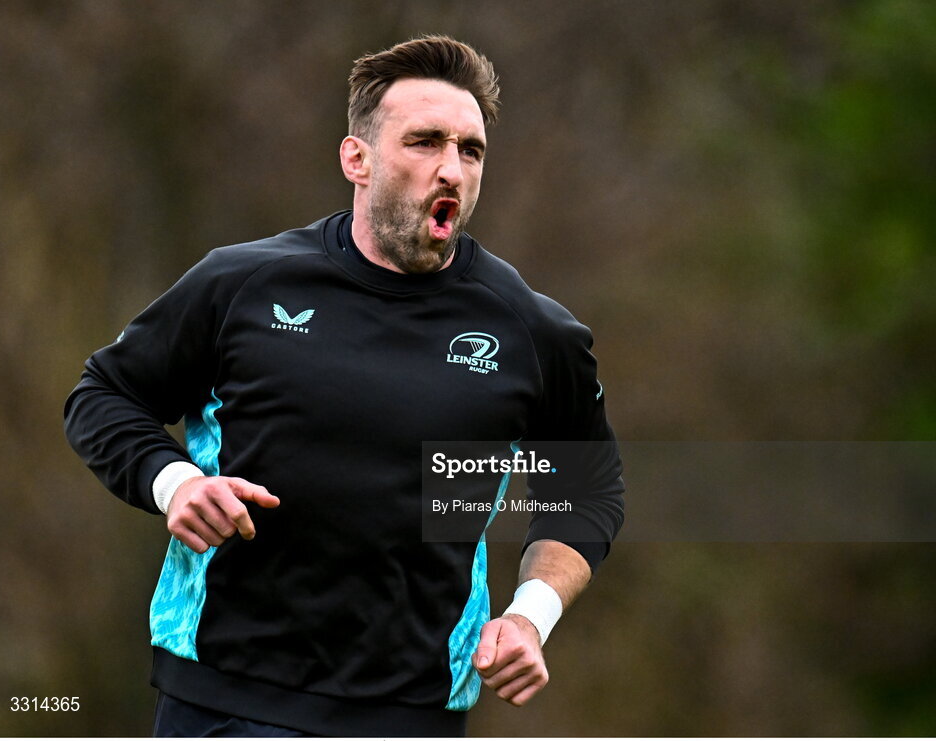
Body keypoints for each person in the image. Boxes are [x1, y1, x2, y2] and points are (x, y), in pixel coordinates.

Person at [64, 35, 624, 737]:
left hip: (411, 712)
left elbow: (588, 488)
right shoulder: (241, 285)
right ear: (356, 159)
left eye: (470, 149)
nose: (450, 168)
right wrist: (174, 482)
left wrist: (529, 614)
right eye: (424, 142)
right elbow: (103, 394)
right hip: (224, 699)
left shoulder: (533, 334)